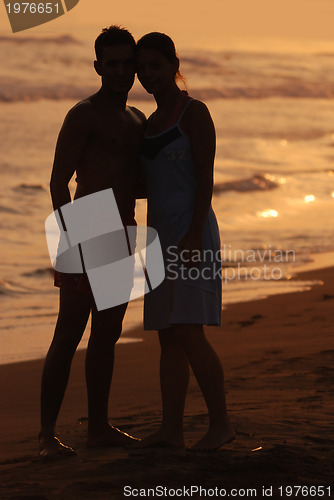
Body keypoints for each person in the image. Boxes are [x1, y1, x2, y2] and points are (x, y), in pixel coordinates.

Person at [39, 26, 146, 457]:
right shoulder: (84, 114)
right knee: (68, 333)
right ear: (98, 66)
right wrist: (73, 239)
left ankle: (98, 427)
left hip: (123, 228)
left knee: (107, 333)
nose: (120, 71)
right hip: (88, 225)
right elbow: (57, 181)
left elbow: (134, 181)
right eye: (112, 63)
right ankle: (47, 436)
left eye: (127, 63)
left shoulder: (136, 118)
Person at [136, 32, 235, 451]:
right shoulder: (147, 123)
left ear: (173, 64)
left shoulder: (193, 112)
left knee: (190, 332)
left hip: (192, 233)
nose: (148, 76)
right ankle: (171, 430)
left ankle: (221, 425)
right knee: (167, 336)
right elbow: (146, 185)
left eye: (155, 66)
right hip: (158, 236)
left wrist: (194, 234)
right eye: (142, 69)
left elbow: (205, 178)